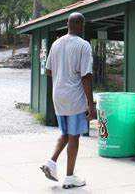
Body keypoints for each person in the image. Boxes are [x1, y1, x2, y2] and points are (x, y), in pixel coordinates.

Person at [41, 12, 94, 189]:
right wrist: (91, 103)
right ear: (82, 26)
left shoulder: (56, 43)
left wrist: (62, 72)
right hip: (74, 97)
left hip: (58, 95)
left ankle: (51, 162)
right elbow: (86, 76)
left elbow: (48, 70)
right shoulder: (83, 45)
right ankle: (70, 177)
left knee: (65, 134)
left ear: (67, 24)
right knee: (74, 136)